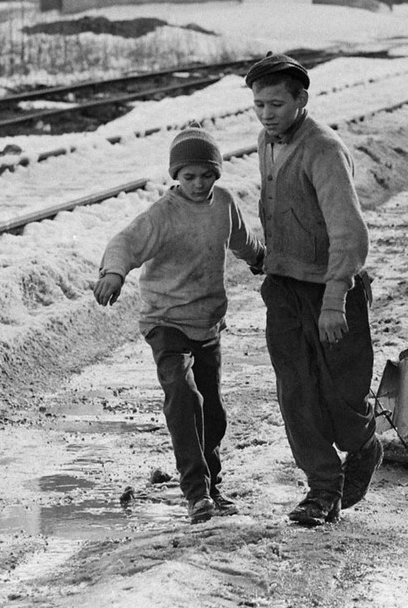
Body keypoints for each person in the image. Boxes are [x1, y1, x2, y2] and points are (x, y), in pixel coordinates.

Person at [92, 127, 265, 524]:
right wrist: (114, 274)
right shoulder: (163, 215)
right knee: (185, 400)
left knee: (214, 411)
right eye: (189, 176)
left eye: (206, 174)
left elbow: (243, 240)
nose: (199, 183)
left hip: (207, 323)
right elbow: (125, 242)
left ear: (217, 174)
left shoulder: (223, 203)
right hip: (165, 321)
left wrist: (261, 260)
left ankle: (213, 485)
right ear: (176, 176)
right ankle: (196, 493)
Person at [246, 51, 382, 527]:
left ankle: (364, 443)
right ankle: (323, 488)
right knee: (296, 394)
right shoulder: (266, 141)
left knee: (341, 396)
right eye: (259, 105)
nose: (267, 115)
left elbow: (349, 233)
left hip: (331, 291)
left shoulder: (323, 149)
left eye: (277, 105)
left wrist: (333, 301)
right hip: (284, 289)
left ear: (302, 100)